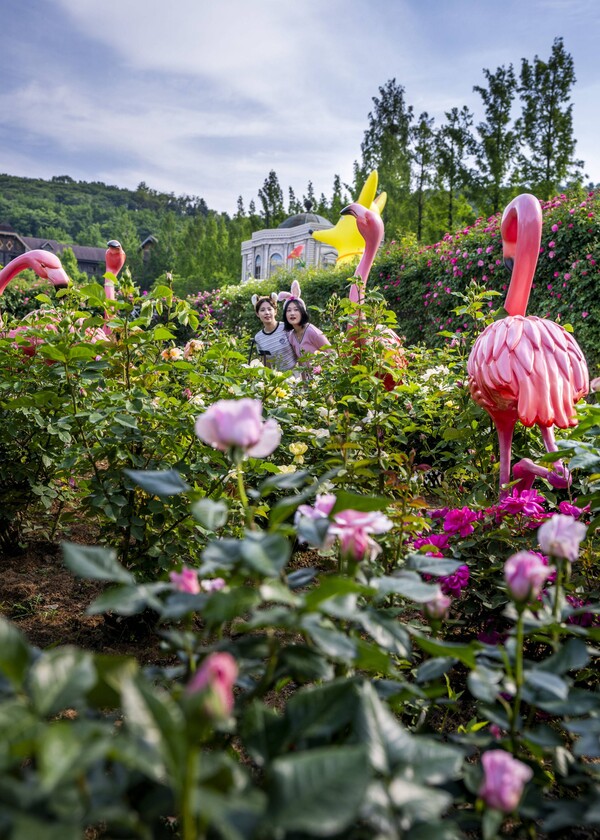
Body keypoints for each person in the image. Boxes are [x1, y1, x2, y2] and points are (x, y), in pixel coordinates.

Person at [278, 281, 330, 373]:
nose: (292, 313)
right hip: (309, 380)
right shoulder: (291, 336)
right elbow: (301, 362)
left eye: (296, 310)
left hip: (325, 378)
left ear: (302, 312)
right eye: (288, 310)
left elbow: (332, 353)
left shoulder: (312, 332)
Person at [251, 292, 297, 372]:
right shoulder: (258, 338)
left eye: (269, 309)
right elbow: (266, 364)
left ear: (275, 311)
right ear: (257, 314)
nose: (267, 313)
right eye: (262, 310)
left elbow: (299, 352)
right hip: (277, 378)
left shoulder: (286, 327)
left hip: (296, 374)